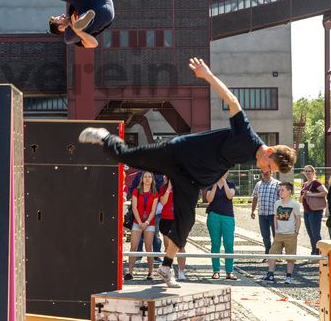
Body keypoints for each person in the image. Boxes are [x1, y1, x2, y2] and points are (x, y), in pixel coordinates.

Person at [78, 57, 297, 288]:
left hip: (190, 181)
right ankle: (104, 137)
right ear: (269, 151)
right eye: (269, 165)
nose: (266, 170)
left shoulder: (256, 157)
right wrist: (207, 75)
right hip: (176, 155)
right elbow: (232, 100)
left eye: (270, 171)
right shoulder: (246, 134)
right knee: (126, 156)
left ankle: (165, 267)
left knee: (186, 222)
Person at [261, 182, 302, 284]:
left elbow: (298, 219)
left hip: (291, 235)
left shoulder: (295, 205)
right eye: (279, 190)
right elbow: (275, 217)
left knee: (290, 257)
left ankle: (289, 277)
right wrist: (276, 230)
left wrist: (296, 232)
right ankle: (270, 275)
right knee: (271, 254)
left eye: (282, 190)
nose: (280, 192)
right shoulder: (277, 203)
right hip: (279, 234)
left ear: (289, 191)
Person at [125, 172, 158, 281]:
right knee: (133, 247)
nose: (147, 179)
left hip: (150, 223)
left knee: (149, 248)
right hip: (137, 222)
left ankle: (150, 272)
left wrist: (147, 222)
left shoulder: (155, 193)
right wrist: (140, 223)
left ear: (152, 179)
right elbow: (134, 208)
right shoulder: (136, 191)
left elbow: (153, 210)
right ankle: (129, 272)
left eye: (149, 177)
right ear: (142, 179)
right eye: (145, 177)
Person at [206, 173, 238, 280]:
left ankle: (229, 271)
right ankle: (216, 270)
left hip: (228, 217)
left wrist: (224, 182)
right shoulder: (211, 184)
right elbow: (209, 199)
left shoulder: (231, 184)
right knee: (215, 244)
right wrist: (215, 185)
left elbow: (230, 196)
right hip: (213, 216)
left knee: (229, 244)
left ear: (227, 173)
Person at [158, 177, 187, 280]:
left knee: (181, 247)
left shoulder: (182, 187)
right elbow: (163, 202)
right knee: (168, 247)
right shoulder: (163, 188)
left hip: (179, 220)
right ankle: (167, 270)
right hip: (166, 219)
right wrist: (169, 188)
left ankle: (181, 271)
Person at [251, 169, 281, 255]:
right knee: (265, 236)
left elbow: (283, 198)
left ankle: (277, 254)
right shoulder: (258, 184)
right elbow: (255, 198)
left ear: (271, 173)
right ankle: (268, 253)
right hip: (262, 214)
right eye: (263, 172)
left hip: (274, 214)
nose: (265, 174)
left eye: (267, 172)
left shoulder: (277, 184)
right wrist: (252, 211)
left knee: (277, 235)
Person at [300, 165, 327, 255]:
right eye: (306, 171)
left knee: (315, 234)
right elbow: (301, 199)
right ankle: (314, 253)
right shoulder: (305, 184)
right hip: (307, 211)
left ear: (313, 172)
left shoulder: (316, 183)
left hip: (315, 212)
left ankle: (320, 254)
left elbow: (325, 192)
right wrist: (303, 196)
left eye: (309, 171)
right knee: (310, 234)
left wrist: (311, 194)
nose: (307, 173)